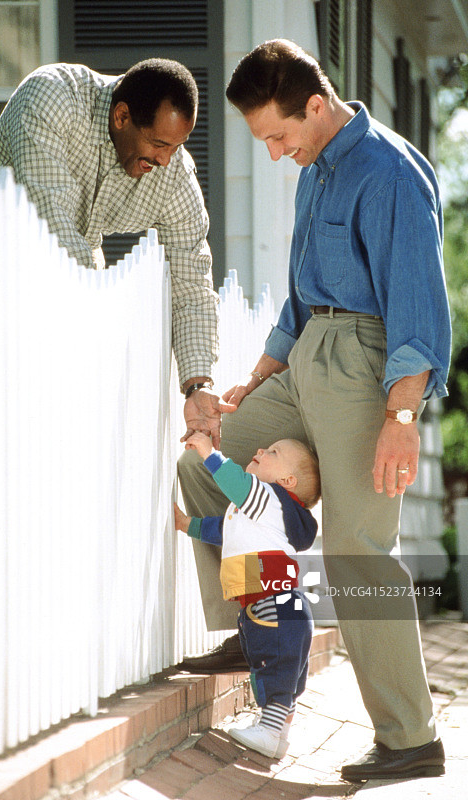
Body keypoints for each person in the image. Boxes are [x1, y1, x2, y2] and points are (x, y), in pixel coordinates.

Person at [177, 39, 450, 781]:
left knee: (359, 552)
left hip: (368, 365)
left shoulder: (390, 173)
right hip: (307, 360)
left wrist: (401, 420)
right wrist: (260, 374)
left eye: (278, 135)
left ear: (317, 106)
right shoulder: (315, 170)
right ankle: (252, 623)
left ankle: (410, 739)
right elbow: (301, 295)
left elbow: (418, 310)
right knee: (205, 463)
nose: (273, 153)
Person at [0, 58, 232, 442]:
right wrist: (105, 327)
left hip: (52, 319)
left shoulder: (172, 173)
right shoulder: (54, 97)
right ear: (121, 116)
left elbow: (192, 284)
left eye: (176, 146)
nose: (165, 160)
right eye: (159, 144)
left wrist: (197, 384)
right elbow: (54, 230)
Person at [174, 432, 319, 758]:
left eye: (273, 452)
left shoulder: (269, 497)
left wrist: (209, 453)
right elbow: (224, 529)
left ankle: (269, 732)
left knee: (271, 666)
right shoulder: (264, 514)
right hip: (285, 604)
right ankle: (278, 735)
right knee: (282, 670)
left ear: (287, 481)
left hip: (270, 603)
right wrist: (187, 525)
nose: (261, 449)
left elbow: (235, 483)